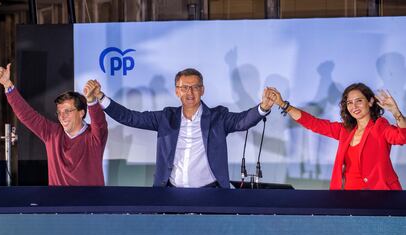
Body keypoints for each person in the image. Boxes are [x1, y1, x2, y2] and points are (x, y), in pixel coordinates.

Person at [95, 68, 275, 188]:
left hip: (211, 193)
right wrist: (101, 98)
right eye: (184, 88)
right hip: (171, 193)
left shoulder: (217, 117)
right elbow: (130, 117)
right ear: (177, 91)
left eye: (195, 87)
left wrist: (263, 107)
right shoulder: (166, 117)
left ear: (202, 90)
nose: (190, 92)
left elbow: (242, 121)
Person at [267, 83, 406, 190]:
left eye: (359, 101)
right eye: (349, 102)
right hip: (348, 197)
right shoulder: (345, 130)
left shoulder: (380, 126)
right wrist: (283, 104)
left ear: (370, 102)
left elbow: (402, 137)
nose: (354, 106)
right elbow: (313, 123)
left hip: (379, 195)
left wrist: (396, 113)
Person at [0, 64, 108, 186]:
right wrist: (8, 86)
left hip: (91, 203)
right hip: (57, 203)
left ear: (81, 113)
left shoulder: (95, 136)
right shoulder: (52, 134)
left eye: (67, 111)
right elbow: (27, 115)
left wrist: (91, 100)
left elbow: (99, 121)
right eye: (59, 112)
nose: (62, 116)